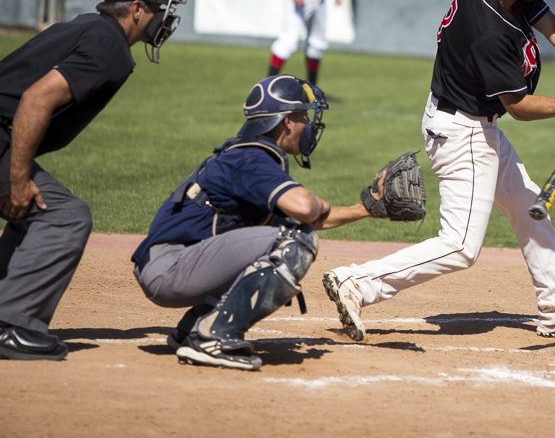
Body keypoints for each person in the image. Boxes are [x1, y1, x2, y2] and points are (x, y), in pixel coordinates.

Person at [324, 0, 555, 343]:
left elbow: (550, 23)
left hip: (473, 123)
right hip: (463, 132)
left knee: (529, 206)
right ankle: (355, 282)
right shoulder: (488, 31)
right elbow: (517, 107)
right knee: (461, 245)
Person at [0, 0, 187, 361]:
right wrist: (17, 178)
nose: (164, 20)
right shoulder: (109, 47)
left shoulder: (93, 27)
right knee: (65, 216)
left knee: (36, 208)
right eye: (159, 9)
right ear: (137, 9)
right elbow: (35, 99)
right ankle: (13, 325)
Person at [131, 75, 379, 371]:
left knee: (284, 233)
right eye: (304, 116)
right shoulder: (252, 159)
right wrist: (320, 203)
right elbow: (304, 209)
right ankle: (213, 338)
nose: (308, 125)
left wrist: (368, 209)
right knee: (295, 241)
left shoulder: (250, 155)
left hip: (174, 264)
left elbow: (310, 218)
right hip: (171, 268)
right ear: (287, 121)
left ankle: (194, 327)